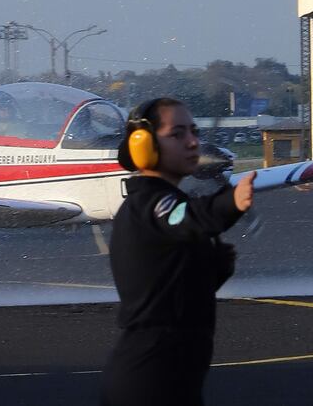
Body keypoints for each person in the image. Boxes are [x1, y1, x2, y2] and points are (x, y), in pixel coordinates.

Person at [100, 98, 256, 406]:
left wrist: (215, 268)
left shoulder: (155, 203)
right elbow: (185, 217)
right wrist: (231, 201)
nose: (193, 142)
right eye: (178, 134)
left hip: (170, 378)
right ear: (143, 145)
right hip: (151, 381)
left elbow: (172, 294)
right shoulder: (153, 204)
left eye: (194, 131)